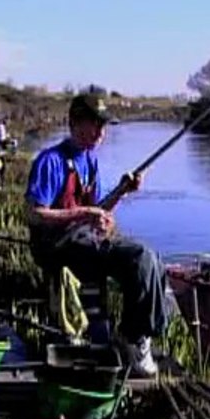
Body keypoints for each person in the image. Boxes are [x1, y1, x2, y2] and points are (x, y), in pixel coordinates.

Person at [24, 93, 167, 376]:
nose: (102, 132)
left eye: (104, 125)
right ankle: (133, 339)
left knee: (153, 261)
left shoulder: (90, 161)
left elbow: (99, 209)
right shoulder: (50, 160)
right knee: (139, 257)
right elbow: (34, 214)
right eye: (95, 124)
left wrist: (123, 192)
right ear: (75, 123)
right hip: (56, 246)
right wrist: (84, 215)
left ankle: (136, 335)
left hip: (84, 242)